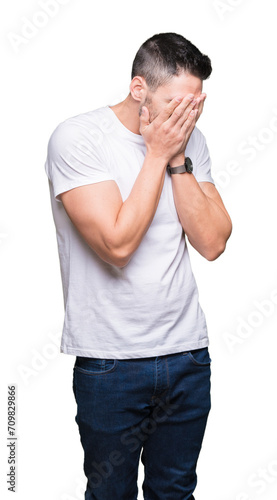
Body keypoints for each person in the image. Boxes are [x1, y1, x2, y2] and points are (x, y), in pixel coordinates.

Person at [44, 32, 232, 500]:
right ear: (138, 89)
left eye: (194, 105)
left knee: (175, 492)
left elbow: (212, 242)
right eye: (174, 104)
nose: (185, 117)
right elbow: (117, 244)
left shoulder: (189, 143)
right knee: (111, 495)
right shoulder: (77, 138)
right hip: (110, 363)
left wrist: (176, 159)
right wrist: (155, 153)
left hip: (186, 355)